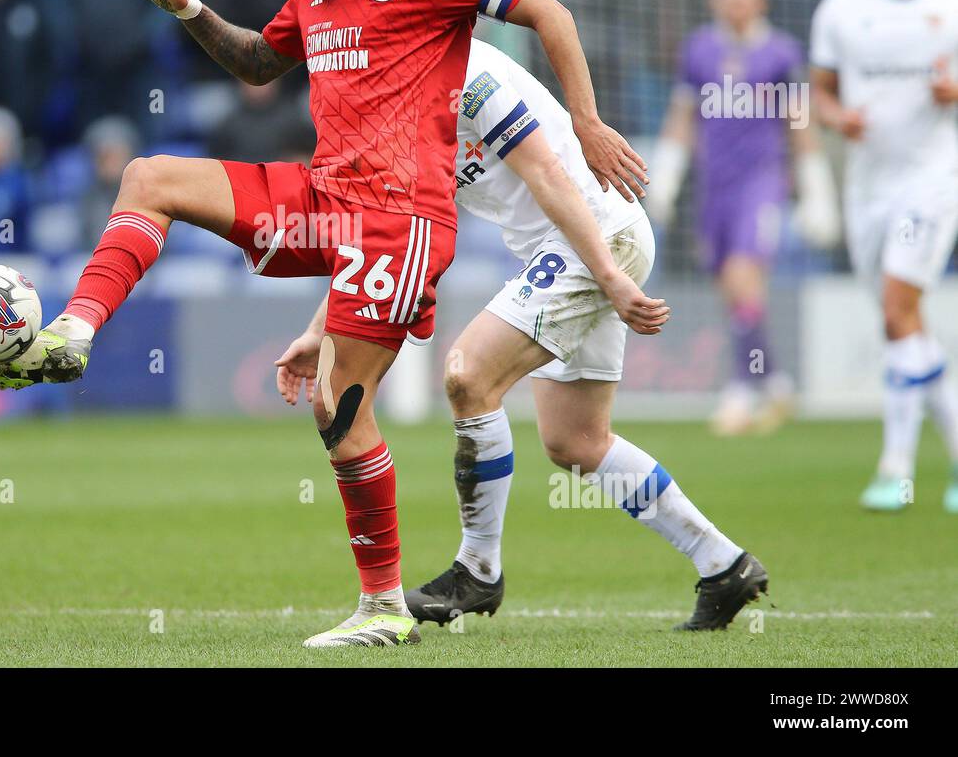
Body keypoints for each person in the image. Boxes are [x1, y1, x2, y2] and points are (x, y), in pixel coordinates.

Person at [0, 0, 646, 648]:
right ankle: (73, 336)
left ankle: (385, 607)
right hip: (324, 202)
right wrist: (182, 4)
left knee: (337, 405)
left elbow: (551, 15)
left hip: (400, 221)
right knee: (150, 177)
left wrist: (588, 121)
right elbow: (258, 62)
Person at [278, 38, 769, 630]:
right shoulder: (388, 111)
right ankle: (723, 564)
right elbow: (385, 232)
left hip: (595, 236)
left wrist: (610, 275)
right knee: (576, 441)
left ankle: (478, 570)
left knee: (468, 374)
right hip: (569, 249)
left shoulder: (470, 74)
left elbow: (547, 172)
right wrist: (320, 326)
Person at [809, 0, 958, 513]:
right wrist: (838, 116)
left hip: (934, 177)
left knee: (899, 309)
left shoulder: (952, 4)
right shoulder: (842, 9)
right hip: (867, 185)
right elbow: (818, 89)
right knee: (903, 325)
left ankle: (895, 468)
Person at [648, 0, 839, 434]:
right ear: (715, 0)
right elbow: (682, 114)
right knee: (731, 289)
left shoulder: (781, 53)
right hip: (714, 186)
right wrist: (668, 172)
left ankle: (740, 388)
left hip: (763, 181)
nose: (735, 3)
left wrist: (816, 190)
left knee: (742, 275)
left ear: (761, 1)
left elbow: (800, 122)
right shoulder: (698, 49)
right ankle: (774, 382)